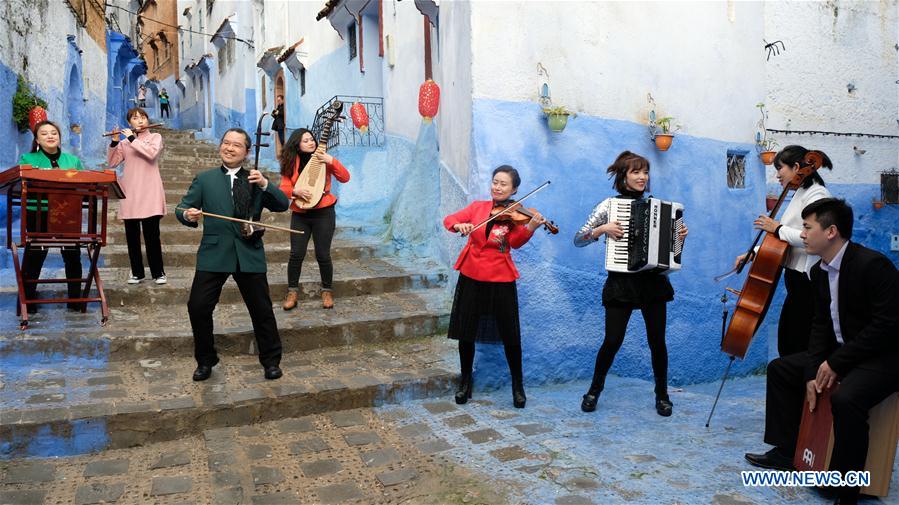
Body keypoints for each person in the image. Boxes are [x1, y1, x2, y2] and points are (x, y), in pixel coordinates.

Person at [744, 198, 899, 505]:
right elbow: (820, 325)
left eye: (807, 227)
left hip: (883, 357)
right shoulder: (819, 272)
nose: (802, 234)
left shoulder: (872, 265)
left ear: (831, 232)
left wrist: (835, 363)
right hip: (844, 352)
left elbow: (887, 326)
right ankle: (787, 452)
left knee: (846, 399)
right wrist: (811, 371)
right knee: (781, 370)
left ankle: (845, 492)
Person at [573, 151, 689, 417]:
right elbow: (578, 239)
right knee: (612, 340)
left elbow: (670, 255)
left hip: (653, 283)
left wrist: (679, 237)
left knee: (657, 342)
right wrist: (601, 230)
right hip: (621, 282)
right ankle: (594, 390)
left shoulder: (659, 207)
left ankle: (662, 395)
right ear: (623, 176)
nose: (642, 177)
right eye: (636, 172)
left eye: (645, 172)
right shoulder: (609, 206)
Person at [176, 128, 291, 381]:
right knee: (197, 306)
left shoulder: (255, 179)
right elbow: (182, 207)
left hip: (248, 252)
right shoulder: (205, 179)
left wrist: (265, 184)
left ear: (247, 152)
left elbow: (283, 205)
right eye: (226, 143)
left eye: (236, 145)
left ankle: (271, 361)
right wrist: (187, 214)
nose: (229, 148)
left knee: (261, 310)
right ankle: (205, 360)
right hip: (214, 252)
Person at [443, 165, 547, 409]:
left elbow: (515, 242)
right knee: (466, 332)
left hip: (500, 278)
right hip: (471, 275)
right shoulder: (477, 208)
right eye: (495, 182)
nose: (497, 187)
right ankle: (465, 381)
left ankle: (517, 386)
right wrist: (459, 226)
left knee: (510, 334)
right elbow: (450, 219)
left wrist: (530, 227)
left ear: (514, 190)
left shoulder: (515, 214)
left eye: (503, 184)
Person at [734, 145, 833, 356]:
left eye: (780, 168)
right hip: (795, 283)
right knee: (788, 345)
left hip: (808, 284)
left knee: (797, 346)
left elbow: (814, 238)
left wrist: (777, 228)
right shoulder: (799, 194)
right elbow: (784, 239)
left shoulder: (816, 194)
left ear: (796, 167)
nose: (777, 175)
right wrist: (754, 253)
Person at [277, 128, 350, 311]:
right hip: (300, 213)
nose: (311, 142)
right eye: (306, 141)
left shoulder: (323, 159)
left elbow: (345, 177)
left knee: (323, 254)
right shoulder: (290, 161)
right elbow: (283, 188)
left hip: (324, 213)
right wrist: (295, 191)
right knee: (296, 254)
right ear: (297, 145)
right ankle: (292, 292)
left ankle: (327, 291)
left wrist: (331, 160)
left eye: (312, 139)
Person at [17, 121, 86, 312]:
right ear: (37, 139)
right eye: (44, 133)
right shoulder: (27, 159)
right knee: (35, 255)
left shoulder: (73, 161)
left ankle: (75, 301)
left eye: (54, 133)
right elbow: (23, 183)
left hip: (67, 214)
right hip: (38, 213)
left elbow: (85, 185)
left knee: (72, 256)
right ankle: (28, 303)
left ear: (59, 137)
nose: (50, 136)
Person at [106, 107, 167, 285]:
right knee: (132, 237)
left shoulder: (155, 137)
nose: (140, 121)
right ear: (129, 122)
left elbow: (151, 154)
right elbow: (112, 162)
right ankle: (137, 273)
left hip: (150, 192)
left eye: (143, 117)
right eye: (135, 118)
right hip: (130, 193)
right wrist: (115, 142)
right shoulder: (125, 143)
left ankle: (158, 273)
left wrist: (132, 139)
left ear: (147, 120)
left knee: (152, 236)